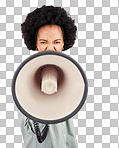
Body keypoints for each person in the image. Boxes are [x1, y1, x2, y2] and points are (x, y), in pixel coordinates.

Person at [17, 5, 78, 148]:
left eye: (56, 42)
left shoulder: (71, 74)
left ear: (63, 43)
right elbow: (32, 130)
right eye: (43, 42)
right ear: (36, 44)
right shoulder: (23, 79)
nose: (50, 48)